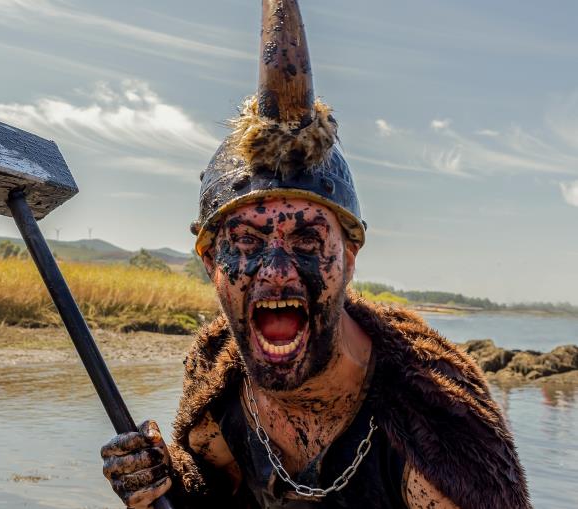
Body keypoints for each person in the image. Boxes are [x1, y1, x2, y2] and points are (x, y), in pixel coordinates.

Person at [100, 1, 531, 508]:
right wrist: (166, 482)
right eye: (246, 243)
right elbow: (215, 491)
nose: (278, 272)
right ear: (211, 262)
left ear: (349, 258)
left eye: (307, 242)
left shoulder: (435, 440)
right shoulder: (220, 385)